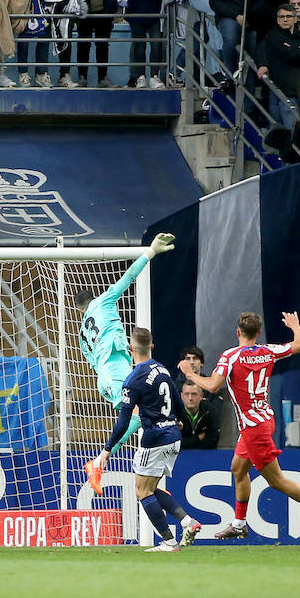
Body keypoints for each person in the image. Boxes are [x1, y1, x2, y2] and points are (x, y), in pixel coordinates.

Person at [181, 310, 300, 539]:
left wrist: (190, 374)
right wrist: (295, 325)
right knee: (238, 468)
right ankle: (239, 524)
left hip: (254, 429)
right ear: (258, 333)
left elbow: (213, 386)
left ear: (238, 332)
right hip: (263, 420)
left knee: (277, 481)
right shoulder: (267, 351)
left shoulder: (231, 356)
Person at [91, 327, 200, 551]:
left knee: (142, 491)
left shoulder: (133, 379)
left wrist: (107, 450)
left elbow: (123, 422)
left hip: (156, 438)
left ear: (130, 348)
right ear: (151, 346)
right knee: (150, 488)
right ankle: (187, 522)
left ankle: (169, 541)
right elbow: (178, 403)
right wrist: (179, 421)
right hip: (173, 436)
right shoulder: (163, 370)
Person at [77, 235, 174, 486]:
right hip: (116, 372)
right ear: (93, 299)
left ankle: (145, 477)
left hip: (109, 375)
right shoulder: (104, 301)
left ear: (80, 309)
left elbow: (91, 362)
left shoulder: (81, 333)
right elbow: (128, 277)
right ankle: (98, 463)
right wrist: (150, 253)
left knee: (143, 416)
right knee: (138, 418)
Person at [177, 378, 220, 449]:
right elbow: (174, 443)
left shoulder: (210, 410)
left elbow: (213, 440)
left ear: (201, 396)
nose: (190, 398)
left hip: (205, 454)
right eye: (187, 394)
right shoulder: (175, 412)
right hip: (180, 455)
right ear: (182, 396)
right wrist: (197, 439)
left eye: (194, 394)